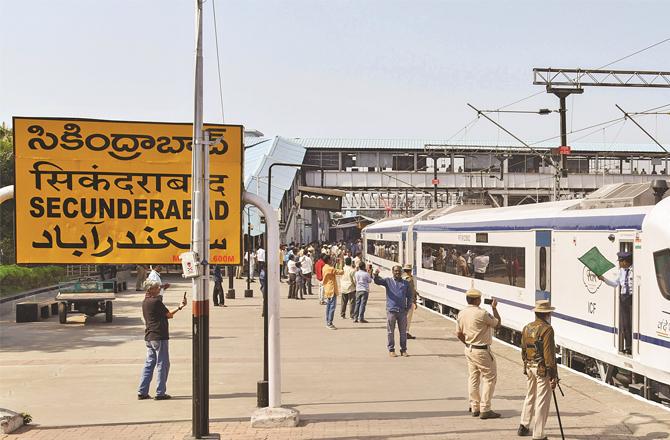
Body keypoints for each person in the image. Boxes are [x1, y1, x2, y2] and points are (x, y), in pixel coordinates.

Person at [137, 279, 187, 400]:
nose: (159, 289)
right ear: (151, 289)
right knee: (163, 364)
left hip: (149, 336)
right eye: (157, 288)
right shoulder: (155, 302)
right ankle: (160, 392)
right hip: (159, 336)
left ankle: (142, 391)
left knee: (149, 364)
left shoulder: (145, 302)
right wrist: (180, 307)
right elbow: (169, 315)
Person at [456, 287, 501, 419]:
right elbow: (497, 324)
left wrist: (468, 344)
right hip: (482, 351)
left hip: (469, 349)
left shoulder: (461, 313)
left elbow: (458, 333)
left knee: (473, 378)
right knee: (489, 377)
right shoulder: (482, 313)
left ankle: (475, 407)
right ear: (477, 300)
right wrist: (494, 308)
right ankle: (485, 409)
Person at [518, 300, 558, 439]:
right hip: (542, 370)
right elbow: (549, 355)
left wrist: (525, 365)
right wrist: (553, 375)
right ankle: (539, 434)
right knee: (542, 400)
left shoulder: (527, 327)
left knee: (530, 395)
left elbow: (523, 349)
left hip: (529, 366)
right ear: (547, 314)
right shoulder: (547, 329)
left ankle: (523, 425)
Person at [599, 251, 634, 354]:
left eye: (620, 261)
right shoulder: (621, 271)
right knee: (625, 323)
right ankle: (628, 346)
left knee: (633, 322)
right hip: (624, 297)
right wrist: (604, 279)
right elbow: (615, 284)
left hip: (633, 296)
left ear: (625, 261)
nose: (619, 263)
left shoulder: (635, 270)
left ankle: (633, 345)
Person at [374, 265, 413, 357]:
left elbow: (410, 296)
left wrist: (407, 308)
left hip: (402, 311)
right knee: (390, 331)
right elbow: (377, 281)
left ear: (402, 272)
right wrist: (375, 274)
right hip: (391, 310)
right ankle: (391, 350)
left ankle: (403, 350)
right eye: (395, 271)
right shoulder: (388, 281)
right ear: (392, 272)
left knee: (403, 332)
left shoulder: (405, 283)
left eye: (399, 271)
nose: (397, 273)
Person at [321, 255, 343, 329]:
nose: (332, 261)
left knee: (328, 306)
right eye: (331, 259)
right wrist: (340, 264)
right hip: (331, 289)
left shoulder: (325, 267)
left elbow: (332, 268)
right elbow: (340, 272)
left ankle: (328, 321)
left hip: (328, 289)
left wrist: (334, 263)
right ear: (328, 260)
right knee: (332, 307)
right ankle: (329, 323)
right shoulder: (329, 269)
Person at [402, 264, 418, 339]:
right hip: (408, 300)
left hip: (402, 300)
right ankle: (406, 332)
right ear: (410, 271)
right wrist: (415, 301)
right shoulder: (409, 279)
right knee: (408, 317)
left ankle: (403, 331)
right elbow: (412, 291)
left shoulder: (401, 278)